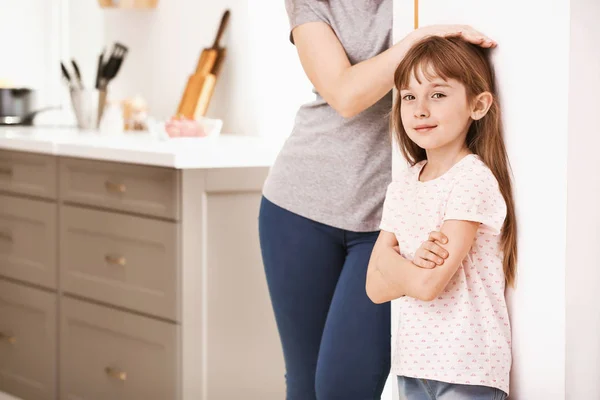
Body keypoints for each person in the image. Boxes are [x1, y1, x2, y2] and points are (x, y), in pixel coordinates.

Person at [258, 0, 497, 398]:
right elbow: (345, 95)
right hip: (298, 206)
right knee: (303, 381)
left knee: (344, 387)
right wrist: (420, 38)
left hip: (387, 216)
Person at [366, 35, 517, 400]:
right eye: (408, 96)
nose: (419, 109)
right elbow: (373, 288)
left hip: (468, 365)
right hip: (412, 364)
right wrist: (414, 265)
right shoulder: (403, 185)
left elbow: (427, 287)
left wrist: (394, 261)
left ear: (478, 105)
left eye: (437, 94)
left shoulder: (472, 179)